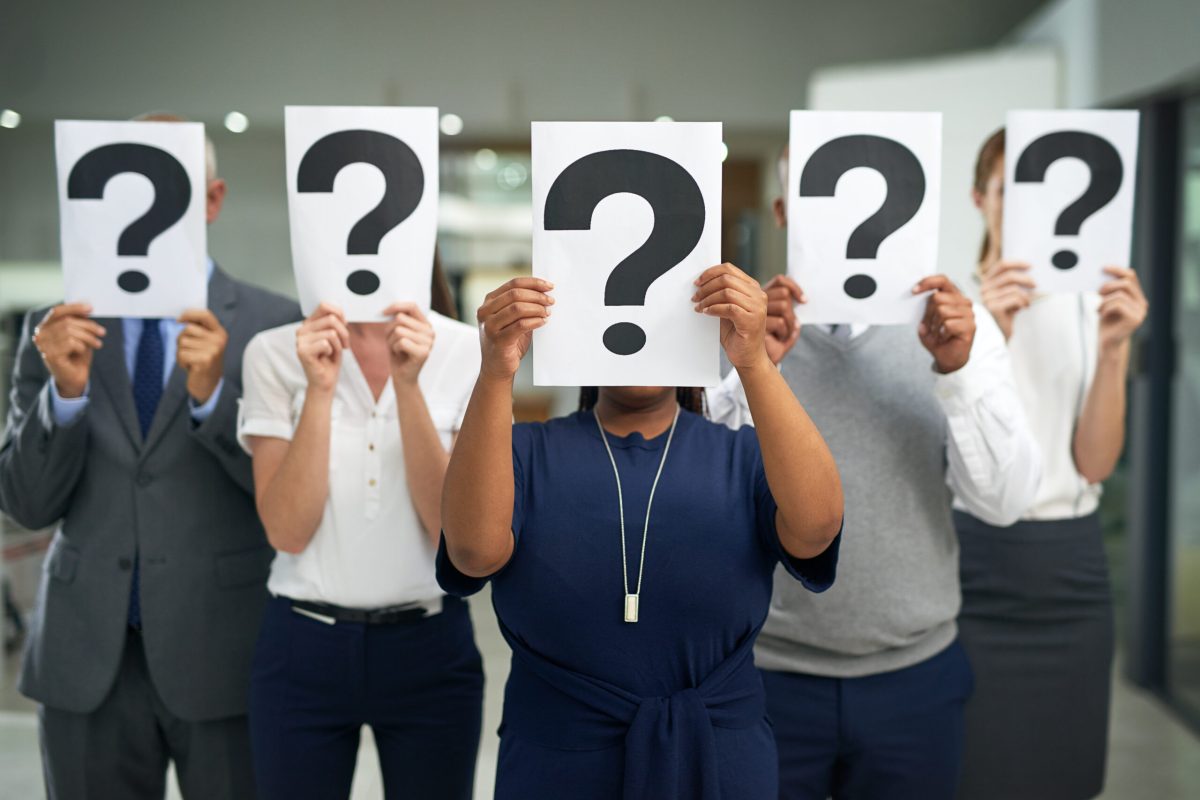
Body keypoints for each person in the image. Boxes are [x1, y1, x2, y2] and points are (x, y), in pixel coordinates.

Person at [708, 147, 1042, 800]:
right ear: (783, 213)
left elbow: (1005, 502)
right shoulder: (735, 336)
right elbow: (705, 497)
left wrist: (960, 370)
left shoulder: (962, 333)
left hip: (915, 680)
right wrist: (755, 369)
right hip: (768, 676)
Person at [438, 264, 843, 799]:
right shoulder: (524, 452)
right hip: (558, 757)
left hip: (718, 760)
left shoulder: (743, 455)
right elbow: (472, 552)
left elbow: (816, 528)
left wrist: (753, 362)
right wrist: (496, 372)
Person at [0, 113, 300, 798]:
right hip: (84, 658)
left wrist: (210, 401)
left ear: (214, 200)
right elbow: (26, 502)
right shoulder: (52, 330)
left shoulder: (270, 325)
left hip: (223, 653)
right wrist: (65, 398)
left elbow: (288, 502)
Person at [238, 257, 483, 800]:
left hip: (429, 644)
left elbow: (453, 534)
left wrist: (408, 386)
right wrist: (319, 389)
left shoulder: (466, 351)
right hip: (302, 644)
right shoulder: (276, 352)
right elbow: (286, 531)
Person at [952, 128, 1148, 800]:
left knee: (1067, 775)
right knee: (974, 774)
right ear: (980, 199)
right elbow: (937, 456)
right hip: (973, 565)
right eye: (1012, 191)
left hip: (1071, 569)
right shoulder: (948, 305)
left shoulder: (1090, 302)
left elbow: (1094, 464)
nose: (1029, 210)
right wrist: (990, 337)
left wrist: (1116, 349)